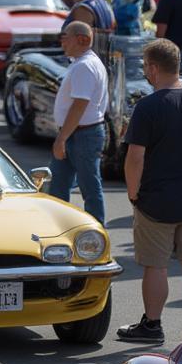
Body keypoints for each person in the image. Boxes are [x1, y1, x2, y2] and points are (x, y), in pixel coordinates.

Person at [118, 39, 182, 342]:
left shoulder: (147, 107)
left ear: (153, 67)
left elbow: (135, 158)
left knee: (156, 265)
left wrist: (133, 194)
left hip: (156, 201)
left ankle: (152, 324)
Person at [48, 21, 108, 224]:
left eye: (65, 37)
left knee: (88, 186)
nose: (61, 42)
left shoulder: (84, 66)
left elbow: (80, 105)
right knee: (59, 185)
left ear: (82, 39)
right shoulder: (83, 63)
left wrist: (61, 138)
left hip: (82, 134)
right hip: (77, 133)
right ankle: (58, 228)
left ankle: (95, 234)